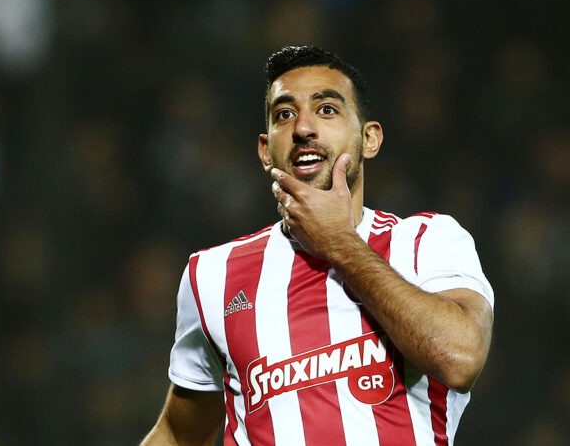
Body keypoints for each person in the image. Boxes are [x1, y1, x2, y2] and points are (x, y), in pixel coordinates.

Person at [140, 46, 494, 446]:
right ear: (264, 150)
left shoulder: (426, 241)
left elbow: (460, 359)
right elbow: (178, 434)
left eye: (326, 110)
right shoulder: (213, 275)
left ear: (369, 139)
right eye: (284, 114)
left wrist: (339, 243)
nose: (303, 128)